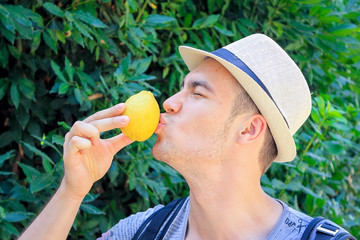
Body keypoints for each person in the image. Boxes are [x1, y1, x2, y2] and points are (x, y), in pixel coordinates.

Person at [19, 34, 354, 240]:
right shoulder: (142, 232)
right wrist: (71, 191)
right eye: (182, 87)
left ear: (249, 129)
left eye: (198, 92)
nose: (169, 102)